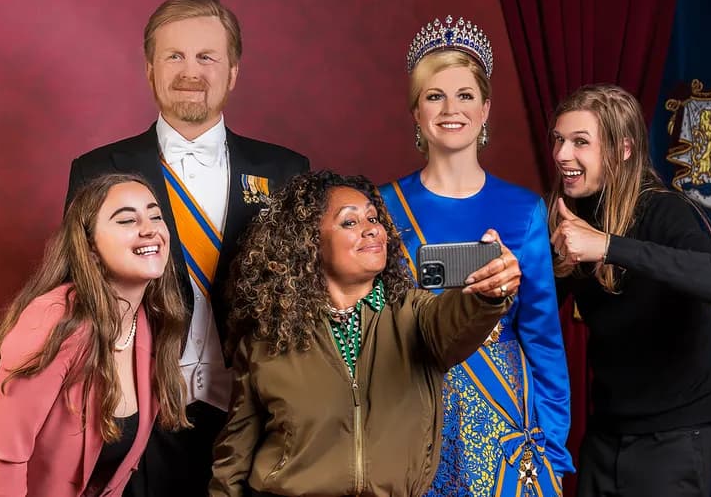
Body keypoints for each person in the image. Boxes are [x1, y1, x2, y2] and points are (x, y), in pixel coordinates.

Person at [66, 0, 309, 496]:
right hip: (139, 417)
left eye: (207, 57)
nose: (189, 71)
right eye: (174, 56)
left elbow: (305, 299)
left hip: (256, 414)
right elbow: (79, 297)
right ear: (149, 69)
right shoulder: (97, 170)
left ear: (233, 71)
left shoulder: (286, 171)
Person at [209, 171, 520, 497]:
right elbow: (234, 456)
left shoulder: (414, 314)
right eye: (349, 222)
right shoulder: (268, 337)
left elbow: (458, 321)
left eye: (373, 218)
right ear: (308, 241)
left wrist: (490, 294)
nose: (372, 229)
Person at [378, 15, 572, 496]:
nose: (451, 109)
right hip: (417, 407)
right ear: (416, 111)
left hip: (505, 415)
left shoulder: (524, 209)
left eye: (465, 95)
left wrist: (550, 445)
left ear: (485, 108)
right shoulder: (381, 207)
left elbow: (543, 337)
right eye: (434, 95)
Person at [0, 174, 189, 496]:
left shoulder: (148, 326)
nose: (149, 228)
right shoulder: (57, 319)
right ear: (89, 248)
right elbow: (0, 457)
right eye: (127, 219)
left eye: (156, 215)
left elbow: (109, 476)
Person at [547, 84, 711, 497]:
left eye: (580, 142)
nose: (561, 155)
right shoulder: (571, 212)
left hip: (673, 439)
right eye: (559, 140)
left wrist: (607, 246)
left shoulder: (662, 209)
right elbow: (536, 313)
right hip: (605, 436)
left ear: (622, 150)